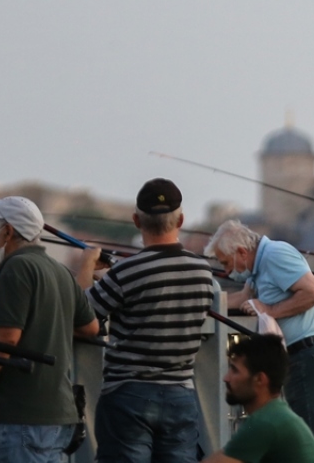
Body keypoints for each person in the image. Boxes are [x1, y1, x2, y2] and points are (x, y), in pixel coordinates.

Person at [74, 179, 217, 463]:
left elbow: (81, 316)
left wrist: (87, 266)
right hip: (181, 394)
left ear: (136, 220)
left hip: (128, 394)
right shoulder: (203, 271)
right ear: (181, 220)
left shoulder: (126, 272)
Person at [0, 196, 100, 463]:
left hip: (21, 417)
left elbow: (4, 340)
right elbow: (90, 327)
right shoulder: (59, 271)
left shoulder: (17, 268)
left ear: (8, 231)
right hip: (56, 415)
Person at [206, 219, 314, 463]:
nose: (227, 271)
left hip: (310, 356)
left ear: (241, 252)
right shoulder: (257, 268)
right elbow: (242, 299)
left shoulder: (275, 255)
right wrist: (205, 303)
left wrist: (269, 309)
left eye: (226, 263)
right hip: (300, 358)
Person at [202, 334, 314, 463]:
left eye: (235, 370)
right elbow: (227, 453)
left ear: (260, 379)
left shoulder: (265, 422)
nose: (226, 378)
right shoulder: (274, 414)